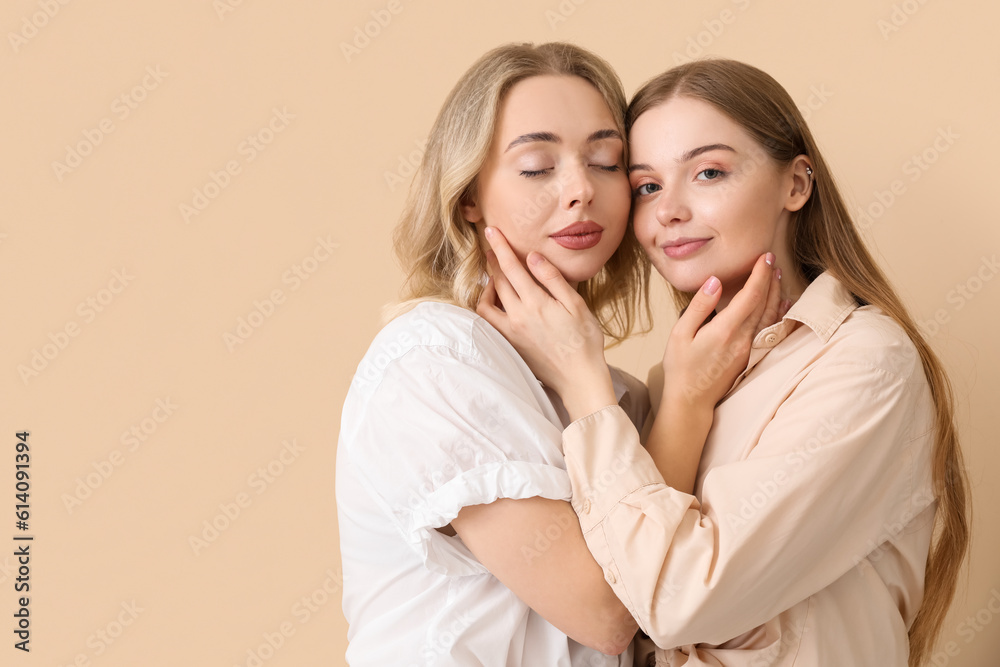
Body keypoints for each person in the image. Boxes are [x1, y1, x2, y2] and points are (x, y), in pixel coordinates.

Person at [478, 59, 970, 667]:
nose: (668, 211)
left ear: (796, 184)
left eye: (708, 172)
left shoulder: (864, 364)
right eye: (647, 187)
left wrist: (582, 378)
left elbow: (678, 603)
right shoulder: (676, 386)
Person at [336, 43, 781, 666]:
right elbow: (611, 612)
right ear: (468, 195)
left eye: (606, 163)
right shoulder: (434, 358)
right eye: (538, 166)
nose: (581, 191)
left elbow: (671, 595)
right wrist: (684, 400)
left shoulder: (611, 391)